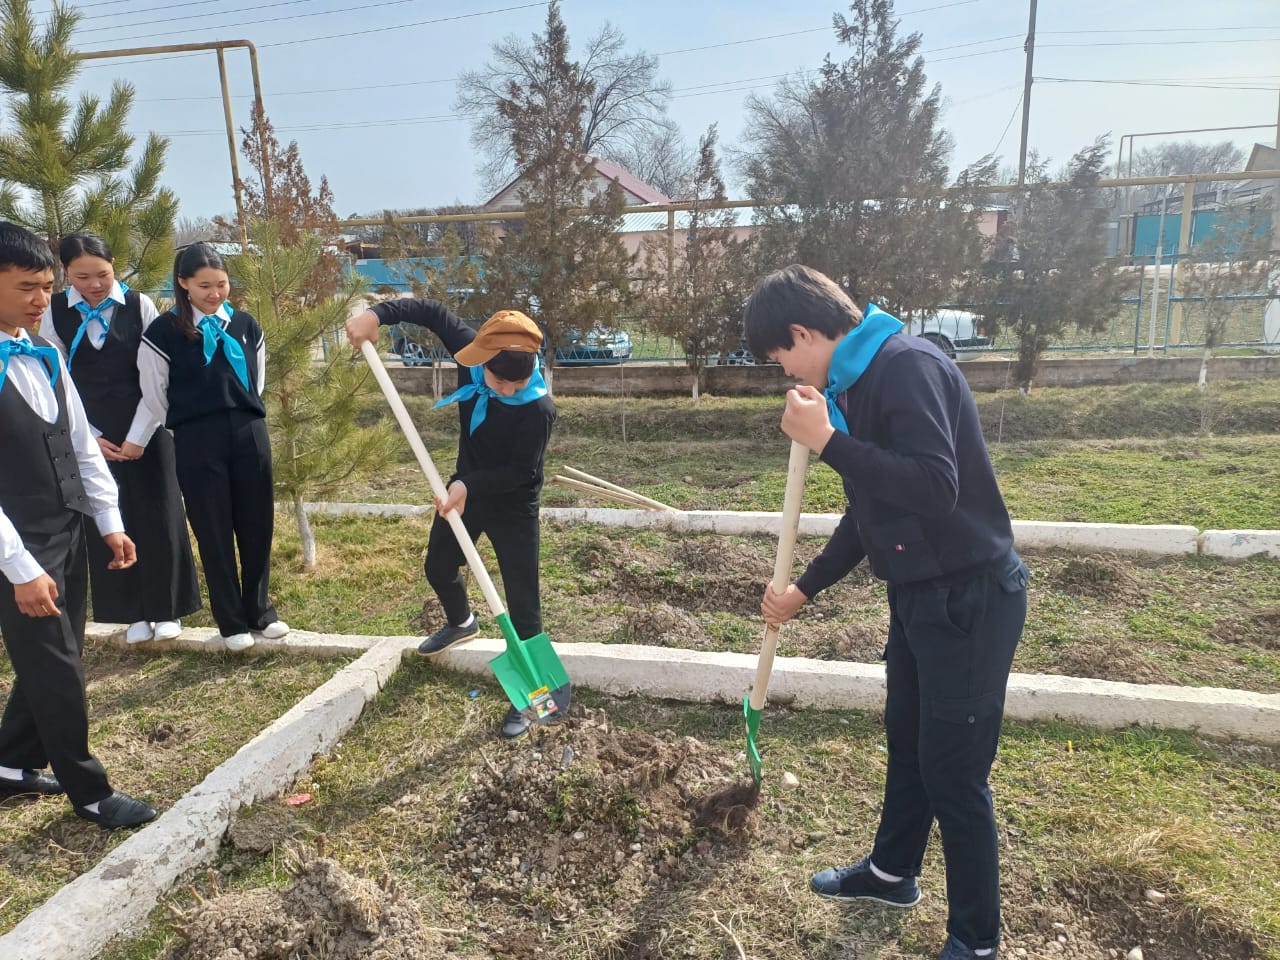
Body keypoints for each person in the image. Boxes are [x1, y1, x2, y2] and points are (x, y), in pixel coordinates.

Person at [745, 265, 1028, 960]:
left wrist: (829, 443)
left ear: (804, 333)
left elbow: (933, 488)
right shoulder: (857, 382)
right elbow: (870, 510)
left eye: (780, 355)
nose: (783, 370)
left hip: (969, 598)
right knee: (909, 742)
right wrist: (803, 590)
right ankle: (891, 873)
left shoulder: (904, 367)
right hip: (920, 596)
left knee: (955, 774)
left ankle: (976, 940)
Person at [0, 221, 156, 829]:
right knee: (58, 666)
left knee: (59, 655)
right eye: (25, 288)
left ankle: (11, 762)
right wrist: (19, 568)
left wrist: (108, 520)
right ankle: (89, 790)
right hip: (16, 546)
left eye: (46, 286)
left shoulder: (42, 353)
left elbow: (80, 445)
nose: (42, 301)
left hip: (66, 531)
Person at [345, 301, 555, 739]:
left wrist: (467, 486)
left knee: (522, 602)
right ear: (482, 361)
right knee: (438, 567)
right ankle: (461, 622)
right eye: (502, 382)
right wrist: (377, 316)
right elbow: (431, 311)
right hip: (466, 494)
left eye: (520, 382)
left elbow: (522, 472)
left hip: (514, 504)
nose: (512, 391)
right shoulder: (469, 354)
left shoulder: (537, 409)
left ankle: (532, 696)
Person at [40, 232, 201, 645]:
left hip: (145, 425)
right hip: (90, 431)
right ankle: (128, 611)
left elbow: (156, 375)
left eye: (103, 274)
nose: (95, 284)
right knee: (107, 517)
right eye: (82, 276)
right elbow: (56, 379)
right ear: (65, 274)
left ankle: (166, 609)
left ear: (115, 265)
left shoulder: (138, 304)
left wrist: (138, 436)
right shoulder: (55, 311)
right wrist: (89, 437)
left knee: (159, 514)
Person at [134, 243, 288, 652]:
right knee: (213, 528)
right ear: (183, 284)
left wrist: (239, 417)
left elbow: (256, 381)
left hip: (249, 432)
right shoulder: (163, 333)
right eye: (204, 286)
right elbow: (155, 394)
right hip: (196, 438)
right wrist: (189, 425)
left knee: (257, 524)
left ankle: (260, 610)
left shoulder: (246, 325)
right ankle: (230, 619)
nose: (215, 293)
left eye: (222, 284)